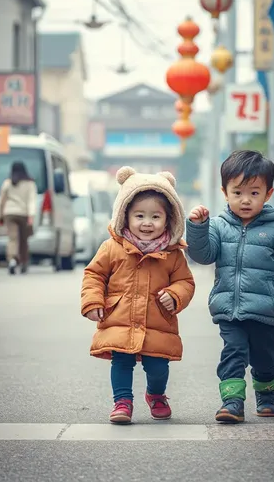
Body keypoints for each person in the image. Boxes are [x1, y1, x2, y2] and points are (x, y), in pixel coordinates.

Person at [186, 150, 274, 424]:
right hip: (229, 310)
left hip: (266, 310)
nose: (245, 200)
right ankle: (232, 402)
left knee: (265, 357)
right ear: (225, 192)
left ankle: (266, 394)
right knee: (232, 352)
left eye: (254, 193)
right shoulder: (219, 227)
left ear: (268, 194)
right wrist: (197, 227)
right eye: (238, 192)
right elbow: (203, 255)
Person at [81, 166, 195, 425]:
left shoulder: (173, 254)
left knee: (158, 367)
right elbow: (94, 275)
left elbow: (185, 282)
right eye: (139, 215)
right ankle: (122, 401)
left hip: (157, 322)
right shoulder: (112, 248)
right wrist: (93, 301)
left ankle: (155, 394)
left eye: (155, 217)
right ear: (125, 215)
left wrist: (175, 295)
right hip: (119, 319)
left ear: (169, 219)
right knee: (121, 362)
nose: (147, 223)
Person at [0, 161, 37, 275]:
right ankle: (24, 262)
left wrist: (0, 215)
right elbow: (31, 201)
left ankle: (12, 259)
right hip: (23, 214)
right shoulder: (30, 184)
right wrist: (31, 216)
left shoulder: (7, 182)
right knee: (23, 240)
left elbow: (2, 200)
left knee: (12, 238)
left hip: (9, 213)